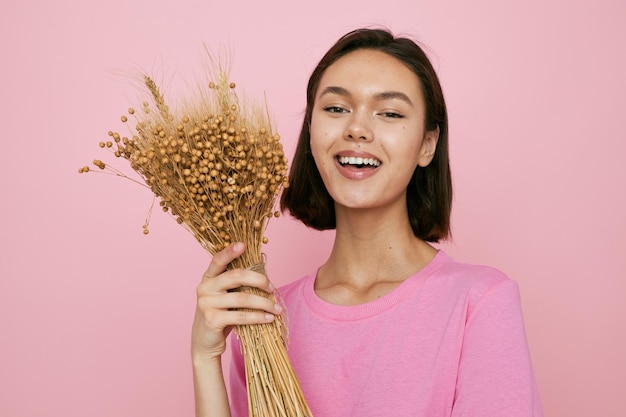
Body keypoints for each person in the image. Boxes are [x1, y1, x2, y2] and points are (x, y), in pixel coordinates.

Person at [191, 27, 544, 416]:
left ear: (427, 144)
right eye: (336, 108)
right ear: (311, 130)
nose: (356, 129)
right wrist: (205, 359)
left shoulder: (479, 302)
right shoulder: (265, 317)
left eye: (390, 113)